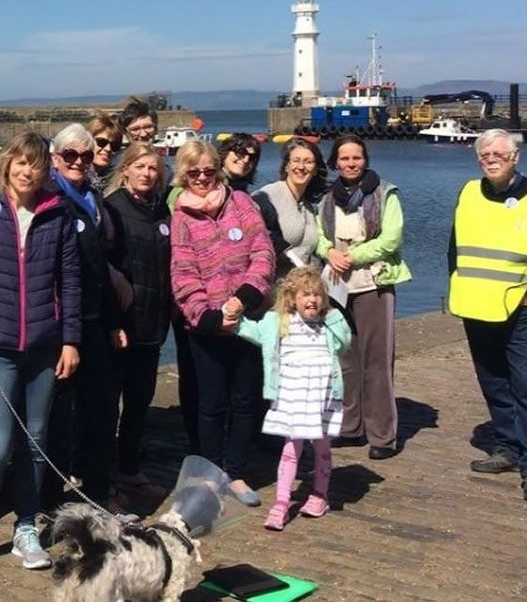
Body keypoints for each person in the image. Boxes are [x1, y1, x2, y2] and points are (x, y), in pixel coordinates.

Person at [0, 132, 81, 578]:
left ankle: (26, 526)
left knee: (36, 444)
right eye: (21, 162)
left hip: (44, 346)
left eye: (36, 164)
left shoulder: (57, 212)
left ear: (46, 170)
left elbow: (70, 280)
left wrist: (71, 340)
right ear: (8, 164)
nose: (28, 171)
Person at [170, 140, 274, 506]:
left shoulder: (241, 203)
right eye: (193, 172)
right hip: (207, 325)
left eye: (208, 171)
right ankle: (211, 474)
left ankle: (238, 471)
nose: (202, 178)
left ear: (218, 170)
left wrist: (241, 300)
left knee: (245, 399)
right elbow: (183, 272)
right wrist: (209, 315)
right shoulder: (181, 215)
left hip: (247, 318)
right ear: (184, 174)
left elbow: (263, 252)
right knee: (210, 403)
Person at [316, 134, 410, 460]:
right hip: (337, 285)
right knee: (345, 358)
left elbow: (392, 238)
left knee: (377, 360)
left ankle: (383, 435)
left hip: (374, 282)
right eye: (344, 159)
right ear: (335, 162)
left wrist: (352, 256)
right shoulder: (327, 198)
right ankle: (350, 425)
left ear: (365, 160)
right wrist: (328, 251)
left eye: (356, 158)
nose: (351, 164)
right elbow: (317, 233)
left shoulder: (385, 193)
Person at [237, 267, 352, 530]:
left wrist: (332, 312)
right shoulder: (279, 321)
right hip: (292, 397)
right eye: (305, 295)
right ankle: (281, 501)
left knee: (322, 447)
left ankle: (320, 495)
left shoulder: (327, 325)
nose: (311, 300)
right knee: (291, 450)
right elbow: (255, 333)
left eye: (316, 295)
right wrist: (236, 323)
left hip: (322, 397)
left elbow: (345, 341)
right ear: (292, 298)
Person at [44, 124, 121, 511]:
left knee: (102, 410)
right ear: (55, 158)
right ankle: (50, 502)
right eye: (70, 155)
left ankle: (98, 491)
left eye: (85, 156)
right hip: (60, 323)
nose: (78, 162)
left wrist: (112, 321)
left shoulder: (93, 196)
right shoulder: (51, 198)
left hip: (95, 317)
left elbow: (101, 265)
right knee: (58, 416)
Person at [447, 129, 527, 499]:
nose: (491, 158)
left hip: (518, 307)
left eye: (499, 153)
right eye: (484, 154)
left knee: (524, 384)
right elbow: (455, 246)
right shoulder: (468, 192)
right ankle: (508, 447)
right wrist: (454, 285)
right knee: (493, 382)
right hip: (476, 304)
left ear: (516, 157)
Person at [104, 142, 171, 501]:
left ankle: (130, 469)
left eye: (153, 168)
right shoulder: (113, 209)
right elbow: (106, 270)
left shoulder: (160, 210)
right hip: (123, 325)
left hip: (154, 324)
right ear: (125, 169)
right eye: (140, 166)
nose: (147, 173)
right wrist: (114, 322)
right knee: (109, 403)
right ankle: (104, 477)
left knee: (139, 401)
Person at [252, 138, 328, 276]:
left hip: (302, 290)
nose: (301, 167)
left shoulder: (310, 207)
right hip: (274, 287)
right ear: (286, 166)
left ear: (316, 170)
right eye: (296, 160)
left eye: (308, 162)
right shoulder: (266, 197)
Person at [85, 112, 123, 192]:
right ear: (88, 141)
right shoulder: (78, 179)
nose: (108, 149)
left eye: (114, 145)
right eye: (102, 142)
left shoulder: (117, 181)